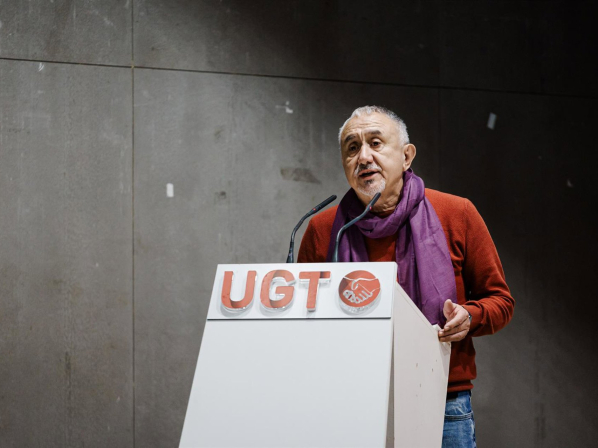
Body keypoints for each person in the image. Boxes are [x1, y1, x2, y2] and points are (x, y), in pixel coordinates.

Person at [297, 105, 515, 448]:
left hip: (443, 401)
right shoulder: (323, 229)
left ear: (407, 156)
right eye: (352, 148)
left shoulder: (456, 213)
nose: (363, 157)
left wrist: (469, 316)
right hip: (351, 401)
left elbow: (501, 301)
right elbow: (302, 318)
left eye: (375, 143)